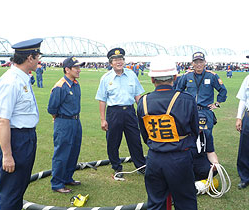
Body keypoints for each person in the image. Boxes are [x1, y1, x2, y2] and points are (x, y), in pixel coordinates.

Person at [137, 57, 199, 210]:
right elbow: (195, 131)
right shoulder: (186, 100)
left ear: (152, 79)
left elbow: (144, 134)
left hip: (154, 158)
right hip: (179, 157)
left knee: (156, 202)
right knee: (185, 202)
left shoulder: (143, 102)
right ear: (175, 77)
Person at [0, 38, 43, 210]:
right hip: (17, 139)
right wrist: (7, 155)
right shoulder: (11, 81)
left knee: (19, 186)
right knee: (12, 190)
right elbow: (3, 120)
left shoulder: (22, 79)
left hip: (26, 138)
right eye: (37, 57)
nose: (39, 61)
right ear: (30, 58)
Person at [95, 48, 146, 180]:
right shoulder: (106, 78)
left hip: (129, 111)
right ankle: (116, 167)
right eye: (115, 60)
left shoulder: (131, 75)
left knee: (135, 140)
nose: (119, 62)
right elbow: (102, 100)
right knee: (113, 141)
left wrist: (143, 112)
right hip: (114, 113)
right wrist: (102, 119)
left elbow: (138, 96)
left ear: (124, 61)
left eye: (121, 59)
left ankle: (141, 166)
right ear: (111, 63)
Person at [176, 52, 227, 162]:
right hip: (190, 112)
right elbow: (178, 91)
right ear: (192, 63)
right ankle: (191, 158)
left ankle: (207, 159)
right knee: (189, 134)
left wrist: (217, 104)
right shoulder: (186, 76)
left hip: (205, 111)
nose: (198, 64)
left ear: (205, 63)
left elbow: (223, 91)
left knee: (207, 135)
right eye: (196, 62)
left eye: (201, 62)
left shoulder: (212, 76)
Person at [47, 56, 85, 193]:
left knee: (74, 151)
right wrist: (60, 120)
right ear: (67, 69)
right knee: (62, 153)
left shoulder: (75, 83)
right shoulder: (60, 86)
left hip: (76, 121)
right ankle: (57, 183)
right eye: (76, 68)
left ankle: (68, 177)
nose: (79, 70)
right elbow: (52, 108)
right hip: (64, 122)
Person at [236, 58, 249, 189]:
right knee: (245, 148)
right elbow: (243, 100)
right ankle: (245, 177)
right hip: (248, 117)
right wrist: (239, 118)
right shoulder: (247, 79)